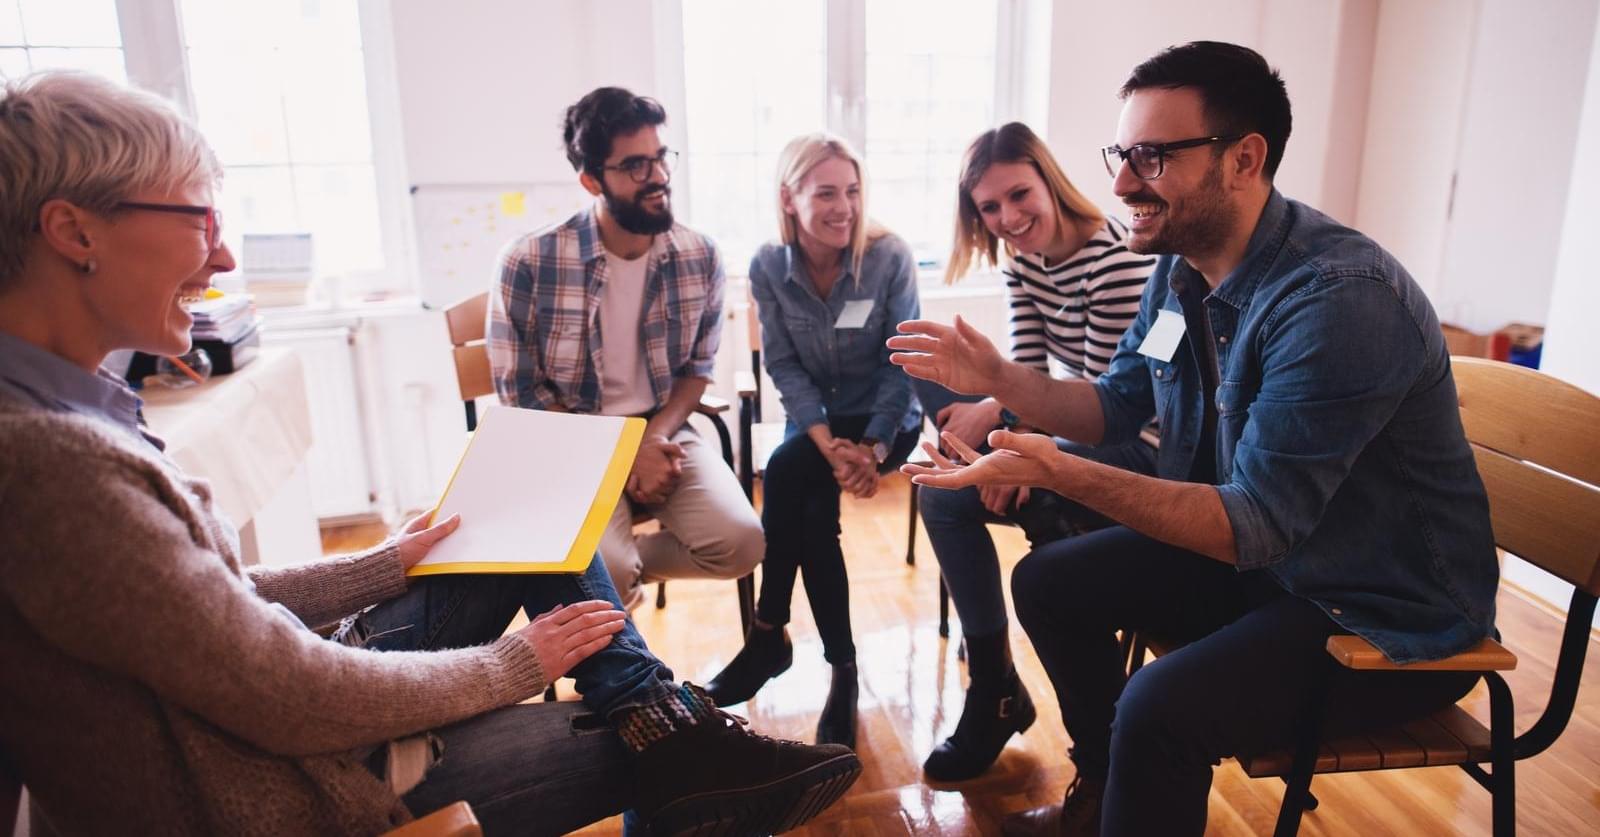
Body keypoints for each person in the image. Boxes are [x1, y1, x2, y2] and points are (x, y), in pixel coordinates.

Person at [0, 71, 861, 837]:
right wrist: (516, 663)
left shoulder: (66, 417)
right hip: (282, 778)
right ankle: (668, 729)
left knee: (531, 525)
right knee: (640, 742)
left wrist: (382, 562)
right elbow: (290, 695)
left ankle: (662, 717)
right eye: (200, 217)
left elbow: (220, 599)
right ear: (75, 232)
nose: (225, 254)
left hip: (286, 702)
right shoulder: (53, 464)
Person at [889, 41, 1497, 836]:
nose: (1118, 182)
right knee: (1047, 582)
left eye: (1151, 156)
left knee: (1158, 707)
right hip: (1272, 564)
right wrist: (1004, 379)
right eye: (1122, 153)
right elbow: (1113, 406)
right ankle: (1107, 800)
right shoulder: (1182, 270)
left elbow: (1253, 524)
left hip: (1376, 611)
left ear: (1244, 159)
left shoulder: (1339, 302)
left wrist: (1058, 472)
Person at [913, 123, 1157, 782]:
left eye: (1019, 195)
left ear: (1049, 179)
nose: (1008, 218)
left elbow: (1115, 406)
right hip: (1076, 424)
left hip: (1143, 447)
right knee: (942, 489)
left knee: (1018, 490)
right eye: (989, 208)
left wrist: (1024, 449)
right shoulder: (1021, 258)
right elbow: (1024, 369)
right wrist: (1002, 437)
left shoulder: (1115, 260)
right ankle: (995, 685)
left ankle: (1102, 734)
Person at [487, 86, 763, 611]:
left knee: (742, 543)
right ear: (592, 180)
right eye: (635, 166)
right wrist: (622, 451)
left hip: (660, 432)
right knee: (609, 575)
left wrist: (651, 438)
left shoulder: (699, 255)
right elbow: (520, 396)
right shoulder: (529, 262)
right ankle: (610, 586)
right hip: (569, 446)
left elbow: (696, 371)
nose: (657, 177)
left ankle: (607, 570)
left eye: (660, 158)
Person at [702, 134, 922, 747]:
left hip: (888, 419)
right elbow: (785, 368)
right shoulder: (770, 266)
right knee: (802, 488)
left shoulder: (889, 257)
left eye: (852, 191)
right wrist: (831, 446)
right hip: (820, 421)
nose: (844, 207)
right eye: (825, 192)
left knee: (788, 475)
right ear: (788, 198)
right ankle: (840, 668)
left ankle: (768, 636)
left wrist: (873, 450)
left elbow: (901, 365)